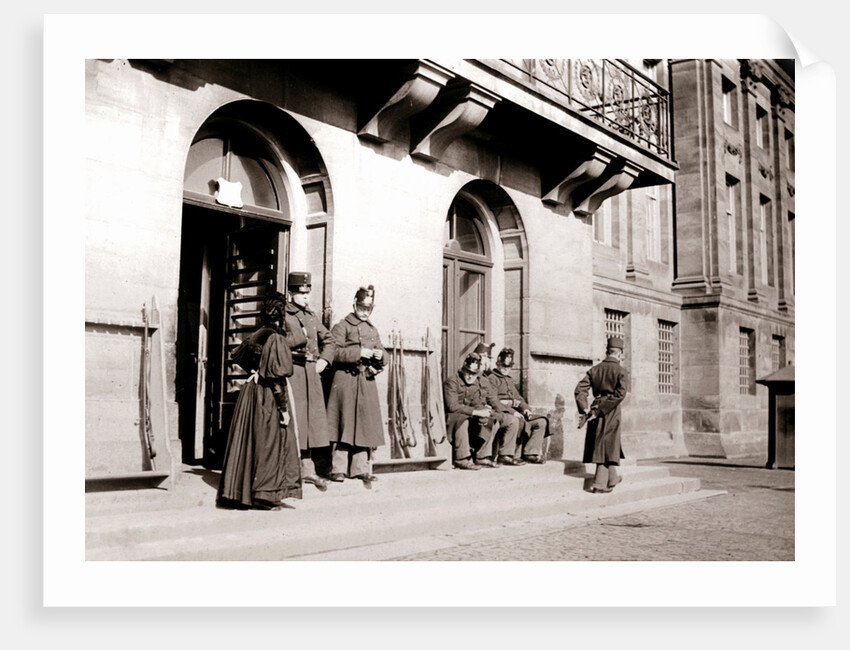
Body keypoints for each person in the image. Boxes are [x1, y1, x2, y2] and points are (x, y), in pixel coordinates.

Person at [216, 292, 301, 511]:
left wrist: (254, 371)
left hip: (251, 394)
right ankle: (264, 496)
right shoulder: (276, 338)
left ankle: (243, 493)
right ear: (281, 315)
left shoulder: (257, 334)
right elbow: (276, 377)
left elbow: (238, 355)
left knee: (252, 442)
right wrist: (283, 410)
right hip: (267, 396)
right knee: (271, 443)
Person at [326, 285, 386, 484]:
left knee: (364, 424)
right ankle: (338, 468)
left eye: (368, 309)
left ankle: (360, 468)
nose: (364, 312)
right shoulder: (342, 326)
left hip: (365, 381)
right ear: (354, 304)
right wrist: (357, 353)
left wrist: (381, 356)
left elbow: (384, 353)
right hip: (345, 380)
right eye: (361, 307)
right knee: (343, 423)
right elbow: (331, 352)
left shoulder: (372, 329)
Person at [283, 271, 335, 491]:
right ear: (291, 293)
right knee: (296, 421)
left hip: (312, 374)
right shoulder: (283, 315)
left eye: (308, 292)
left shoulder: (311, 316)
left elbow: (329, 339)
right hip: (293, 372)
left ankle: (308, 470)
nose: (306, 297)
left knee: (312, 423)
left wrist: (325, 359)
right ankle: (291, 470)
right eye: (302, 293)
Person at [574, 336, 630, 493]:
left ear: (607, 352)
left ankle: (612, 478)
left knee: (605, 442)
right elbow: (620, 395)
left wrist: (585, 408)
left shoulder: (594, 370)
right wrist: (601, 410)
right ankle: (599, 484)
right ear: (619, 353)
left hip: (595, 407)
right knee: (605, 444)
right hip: (610, 409)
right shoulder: (621, 371)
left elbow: (580, 390)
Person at [485, 347, 550, 464]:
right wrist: (512, 411)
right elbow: (494, 401)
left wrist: (526, 409)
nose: (505, 369)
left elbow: (518, 398)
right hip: (502, 412)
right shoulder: (492, 378)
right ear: (498, 364)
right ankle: (506, 455)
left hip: (516, 412)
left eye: (508, 367)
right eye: (503, 366)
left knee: (541, 422)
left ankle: (530, 452)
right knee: (515, 420)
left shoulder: (509, 380)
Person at [443, 352, 501, 469]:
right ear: (463, 370)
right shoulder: (452, 381)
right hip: (452, 418)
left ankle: (482, 456)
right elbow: (452, 406)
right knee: (462, 420)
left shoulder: (475, 383)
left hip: (468, 415)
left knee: (493, 420)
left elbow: (476, 403)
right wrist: (477, 412)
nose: (470, 376)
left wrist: (484, 411)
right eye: (468, 372)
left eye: (474, 374)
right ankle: (461, 458)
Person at [474, 342, 522, 466]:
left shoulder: (485, 377)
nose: (486, 363)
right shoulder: (472, 376)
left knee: (512, 420)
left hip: (490, 409)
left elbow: (492, 398)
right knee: (493, 420)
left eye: (488, 359)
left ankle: (505, 455)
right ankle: (482, 456)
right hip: (473, 411)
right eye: (484, 360)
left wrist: (508, 410)